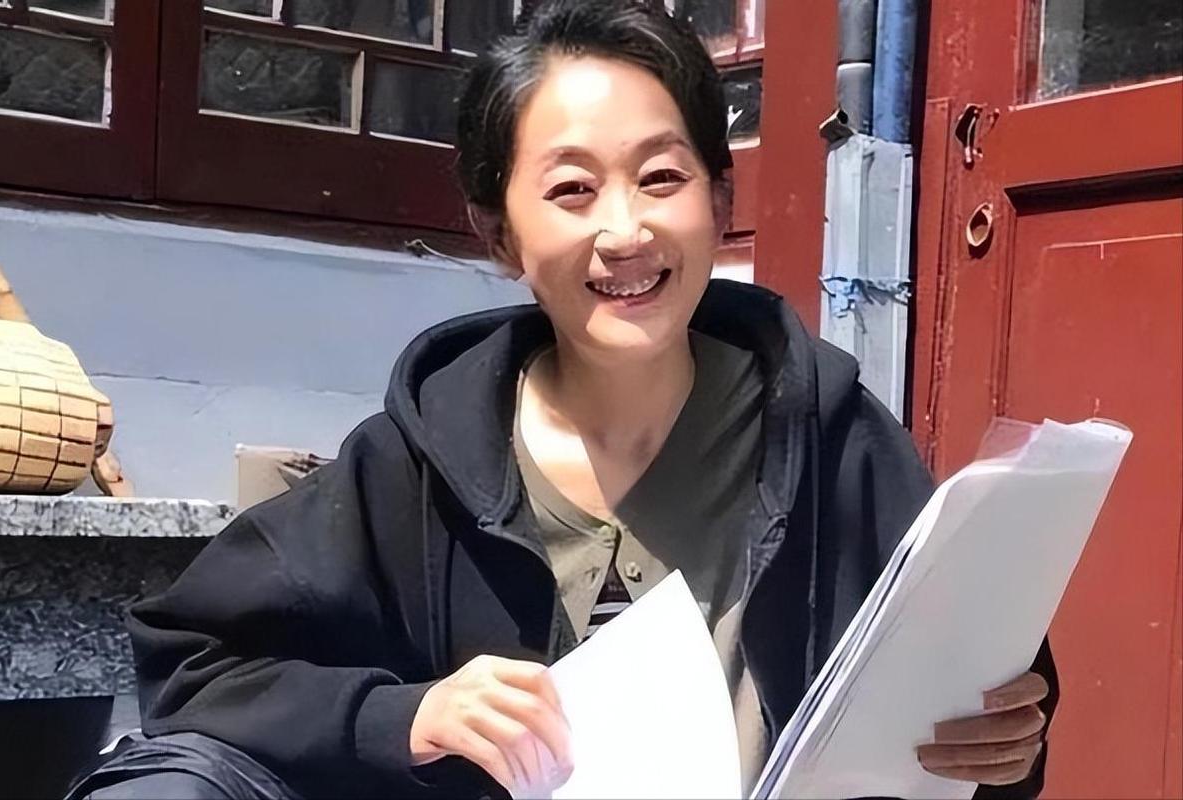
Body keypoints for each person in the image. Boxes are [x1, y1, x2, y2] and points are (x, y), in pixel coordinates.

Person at [69, 1, 1056, 798]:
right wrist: (405, 715)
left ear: (719, 203)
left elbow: (977, 683)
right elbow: (197, 660)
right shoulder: (419, 462)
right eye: (573, 190)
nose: (625, 231)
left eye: (661, 178)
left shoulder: (828, 436)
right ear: (499, 234)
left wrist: (1005, 742)